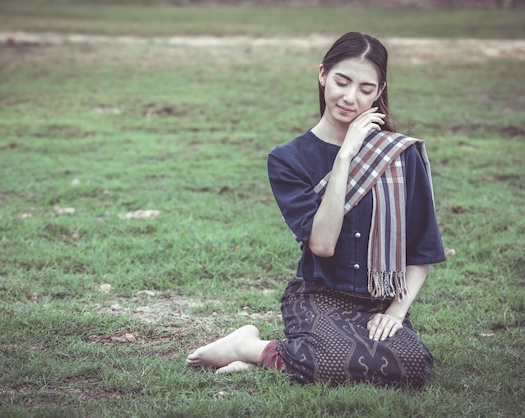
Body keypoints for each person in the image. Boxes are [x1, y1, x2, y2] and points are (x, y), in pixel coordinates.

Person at [186, 32, 446, 388]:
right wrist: (345, 157)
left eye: (366, 89)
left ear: (379, 91)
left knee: (414, 366)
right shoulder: (288, 159)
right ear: (323, 74)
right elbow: (322, 245)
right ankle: (248, 346)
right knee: (333, 360)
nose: (351, 97)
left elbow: (422, 249)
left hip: (380, 301)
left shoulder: (401, 154)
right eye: (342, 81)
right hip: (318, 294)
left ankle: (272, 356)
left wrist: (396, 311)